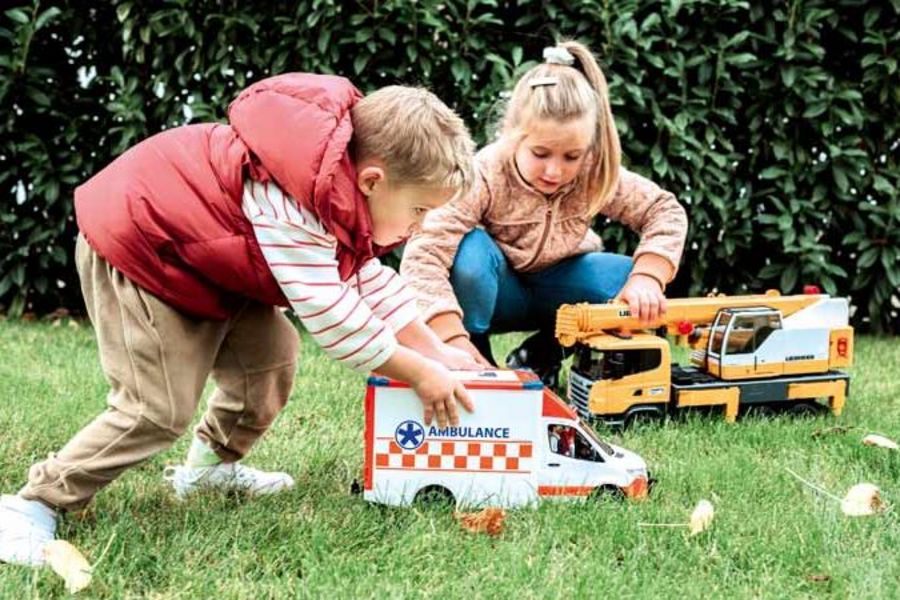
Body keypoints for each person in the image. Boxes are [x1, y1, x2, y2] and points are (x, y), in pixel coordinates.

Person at [0, 73, 479, 567]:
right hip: (143, 250)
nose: (420, 226)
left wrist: (438, 350)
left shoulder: (339, 194)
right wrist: (421, 372)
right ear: (372, 180)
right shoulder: (293, 202)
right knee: (157, 407)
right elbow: (336, 321)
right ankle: (35, 502)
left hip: (207, 263)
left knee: (269, 357)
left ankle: (209, 469)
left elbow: (365, 280)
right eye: (419, 210)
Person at [401, 41, 688, 387]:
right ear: (512, 136)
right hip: (496, 292)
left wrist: (649, 277)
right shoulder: (485, 172)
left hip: (559, 289)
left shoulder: (593, 172)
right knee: (469, 254)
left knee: (623, 276)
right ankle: (476, 358)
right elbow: (425, 251)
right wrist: (450, 337)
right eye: (540, 153)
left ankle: (541, 355)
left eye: (571, 156)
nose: (554, 170)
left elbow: (664, 209)